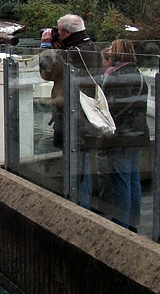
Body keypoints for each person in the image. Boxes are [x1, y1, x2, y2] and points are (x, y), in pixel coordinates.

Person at [39, 14, 103, 210]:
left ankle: (78, 211)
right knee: (83, 166)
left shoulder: (72, 53)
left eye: (59, 31)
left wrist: (45, 47)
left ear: (67, 32)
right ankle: (84, 208)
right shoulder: (93, 47)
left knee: (77, 169)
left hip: (72, 117)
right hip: (86, 116)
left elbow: (46, 73)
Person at [100, 38, 149, 231]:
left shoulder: (114, 76)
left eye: (112, 49)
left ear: (118, 52)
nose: (109, 52)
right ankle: (133, 221)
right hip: (137, 134)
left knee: (120, 181)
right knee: (133, 179)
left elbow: (107, 107)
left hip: (120, 136)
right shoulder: (139, 75)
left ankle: (121, 223)